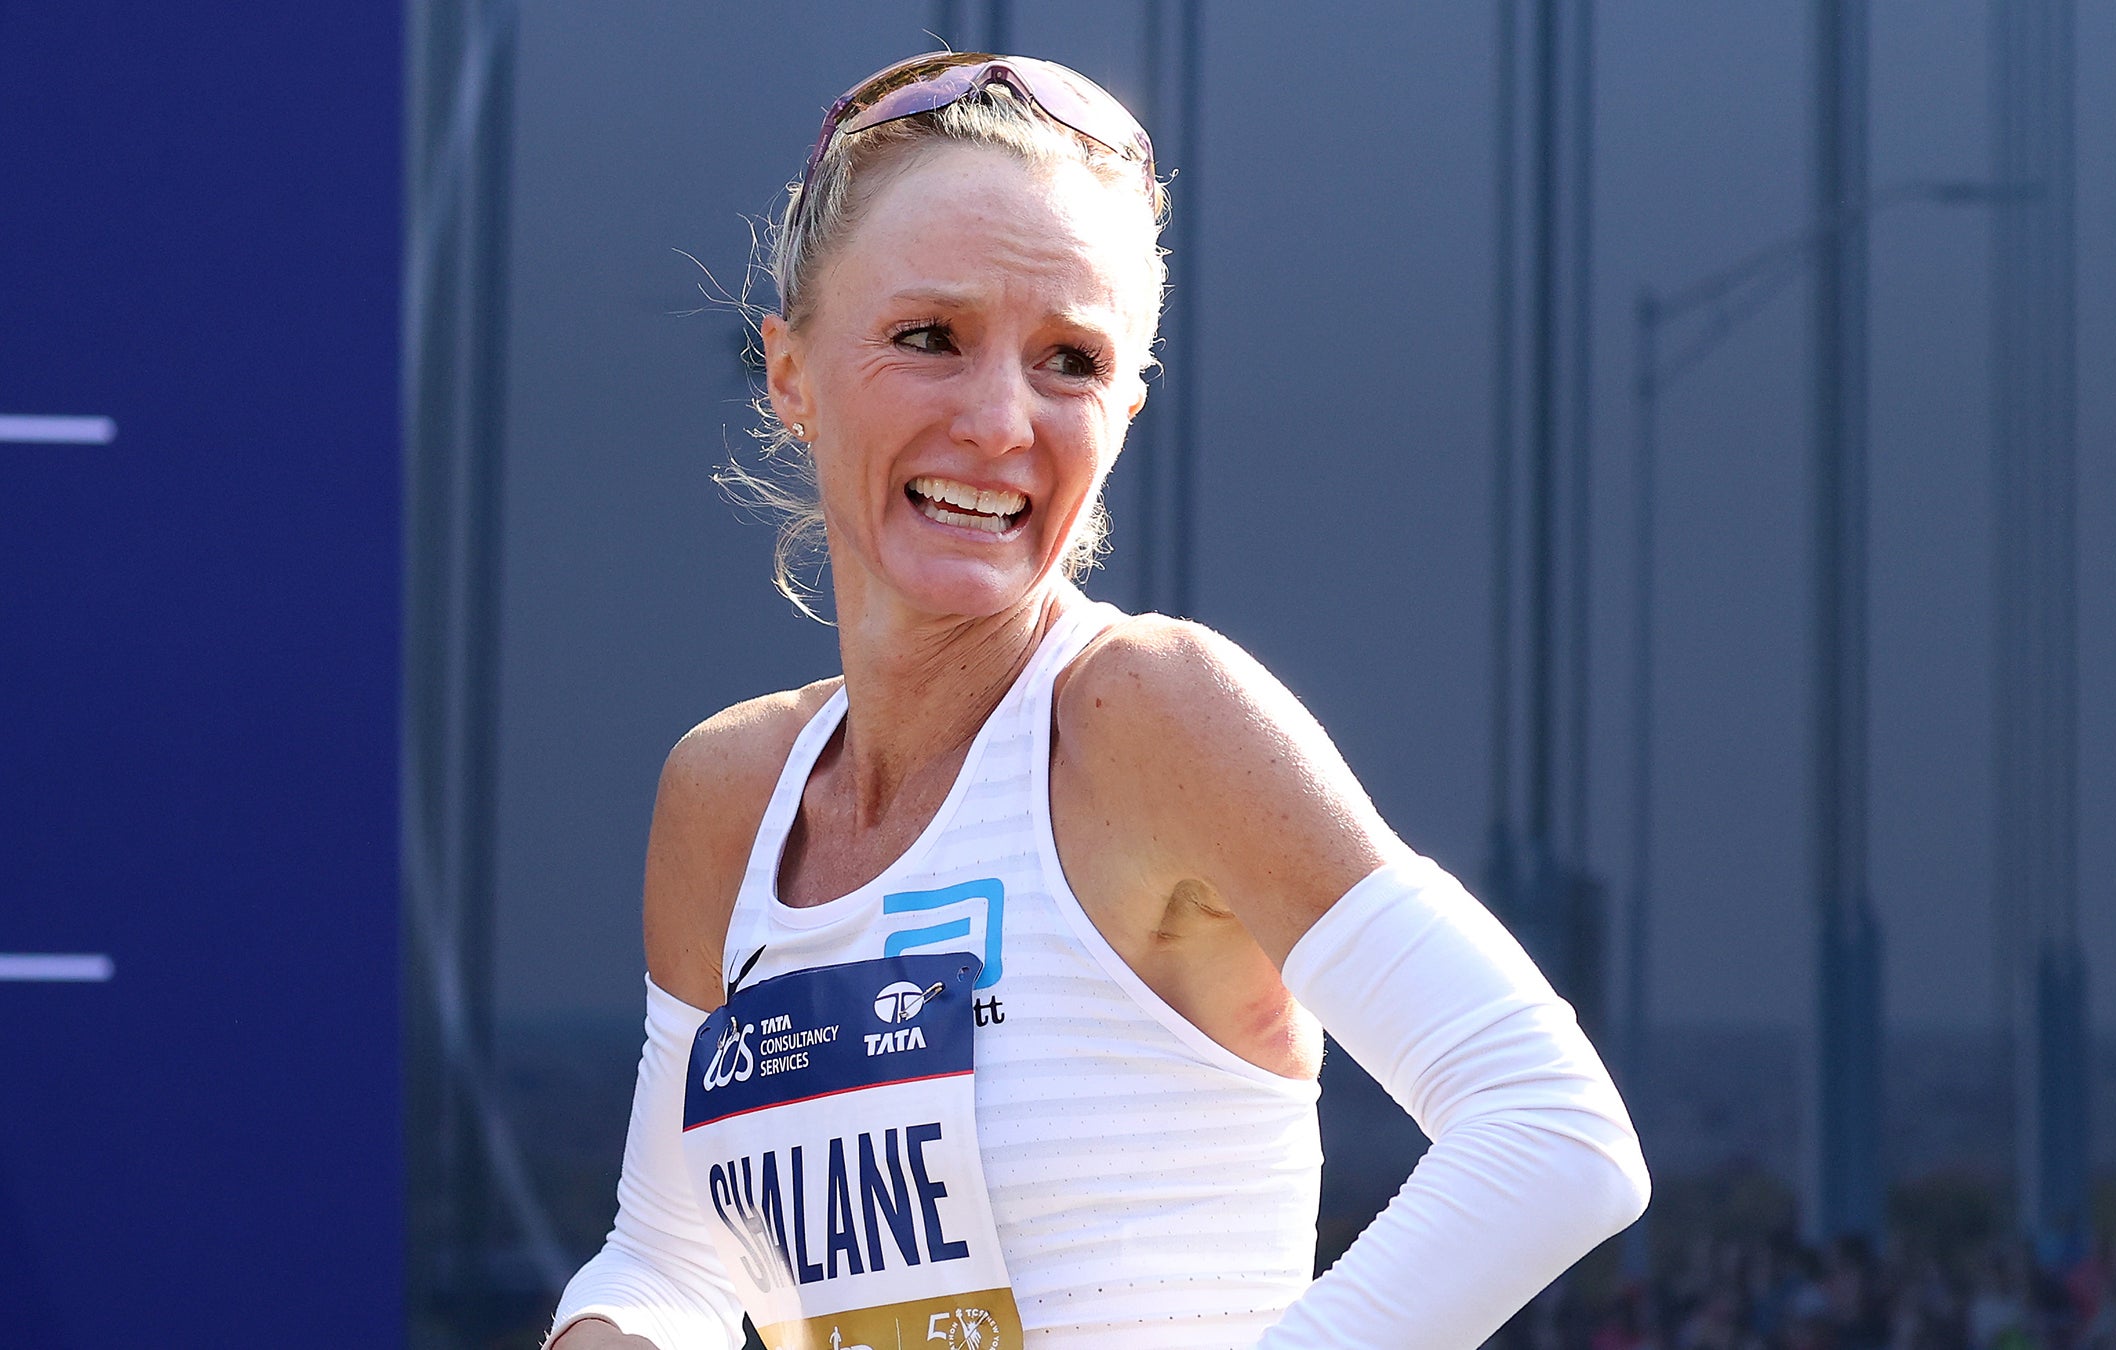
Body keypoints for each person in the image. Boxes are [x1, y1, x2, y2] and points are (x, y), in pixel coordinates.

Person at [547, 49, 1648, 1350]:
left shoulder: (1148, 713)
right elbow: (671, 1254)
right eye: (928, 338)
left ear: (1125, 407)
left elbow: (1552, 1128)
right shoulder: (729, 796)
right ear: (789, 372)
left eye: (1069, 360)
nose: (1001, 420)